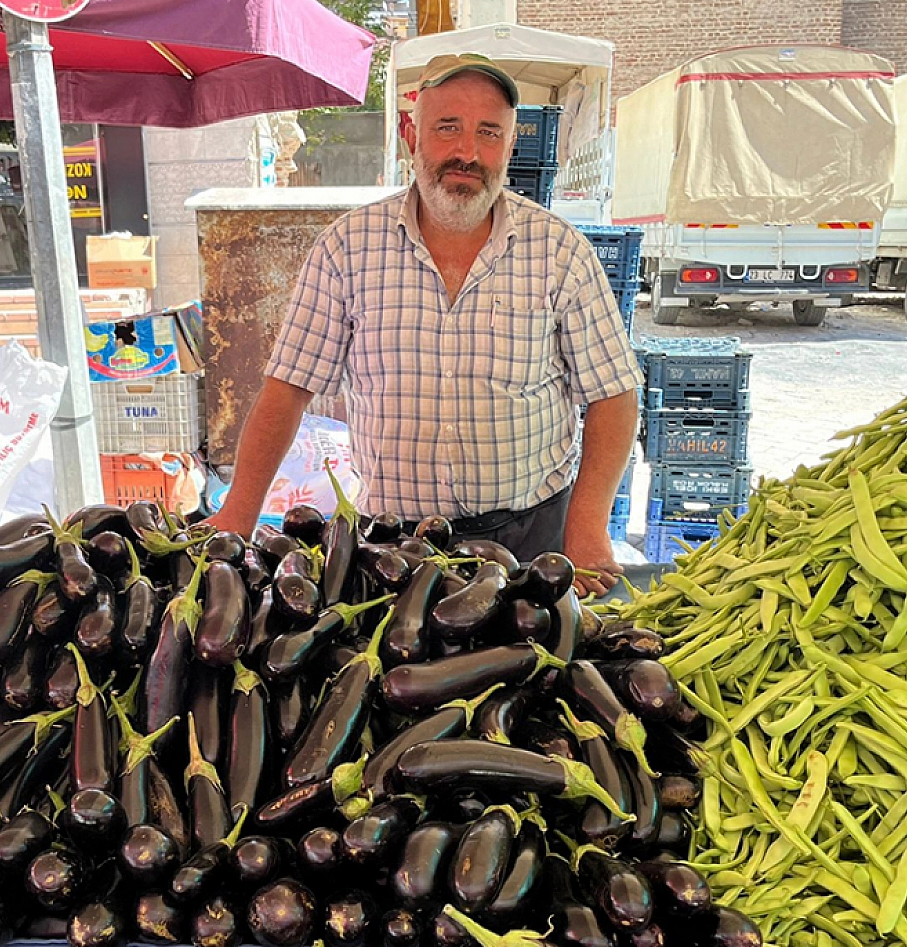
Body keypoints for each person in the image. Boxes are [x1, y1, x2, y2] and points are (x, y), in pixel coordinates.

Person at [206, 54, 642, 597]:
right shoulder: (347, 248)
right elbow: (286, 388)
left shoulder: (560, 251)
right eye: (448, 128)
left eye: (489, 133)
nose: (467, 152)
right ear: (412, 133)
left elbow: (614, 395)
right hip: (394, 547)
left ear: (509, 146)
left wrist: (588, 528)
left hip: (531, 538)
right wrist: (237, 514)